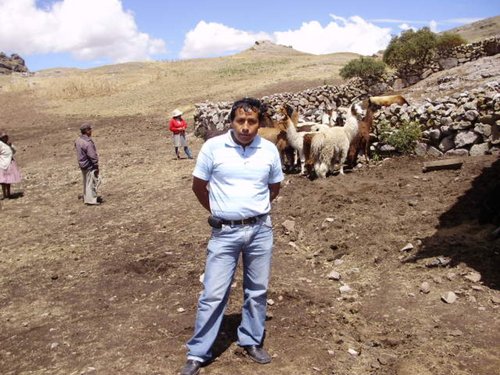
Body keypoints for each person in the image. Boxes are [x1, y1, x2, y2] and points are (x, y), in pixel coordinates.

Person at [180, 98, 284, 375]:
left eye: (252, 122)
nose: (246, 127)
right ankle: (198, 352)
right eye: (241, 121)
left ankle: (251, 339)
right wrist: (220, 211)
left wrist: (254, 212)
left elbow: (275, 187)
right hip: (224, 232)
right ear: (232, 121)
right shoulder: (213, 148)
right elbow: (198, 186)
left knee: (257, 289)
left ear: (259, 123)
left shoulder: (269, 150)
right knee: (213, 293)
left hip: (260, 230)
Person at [74, 123, 101, 205]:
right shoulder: (87, 143)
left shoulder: (78, 140)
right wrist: (96, 166)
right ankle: (91, 200)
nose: (91, 131)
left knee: (86, 182)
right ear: (86, 131)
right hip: (89, 165)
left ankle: (86, 197)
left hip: (82, 164)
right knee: (91, 182)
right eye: (89, 129)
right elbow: (92, 156)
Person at [0, 131, 22, 199]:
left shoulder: (8, 144)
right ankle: (4, 194)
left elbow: (14, 151)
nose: (5, 138)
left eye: (6, 137)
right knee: (3, 180)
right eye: (4, 137)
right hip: (2, 163)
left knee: (8, 180)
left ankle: (8, 193)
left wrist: (11, 146)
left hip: (9, 163)